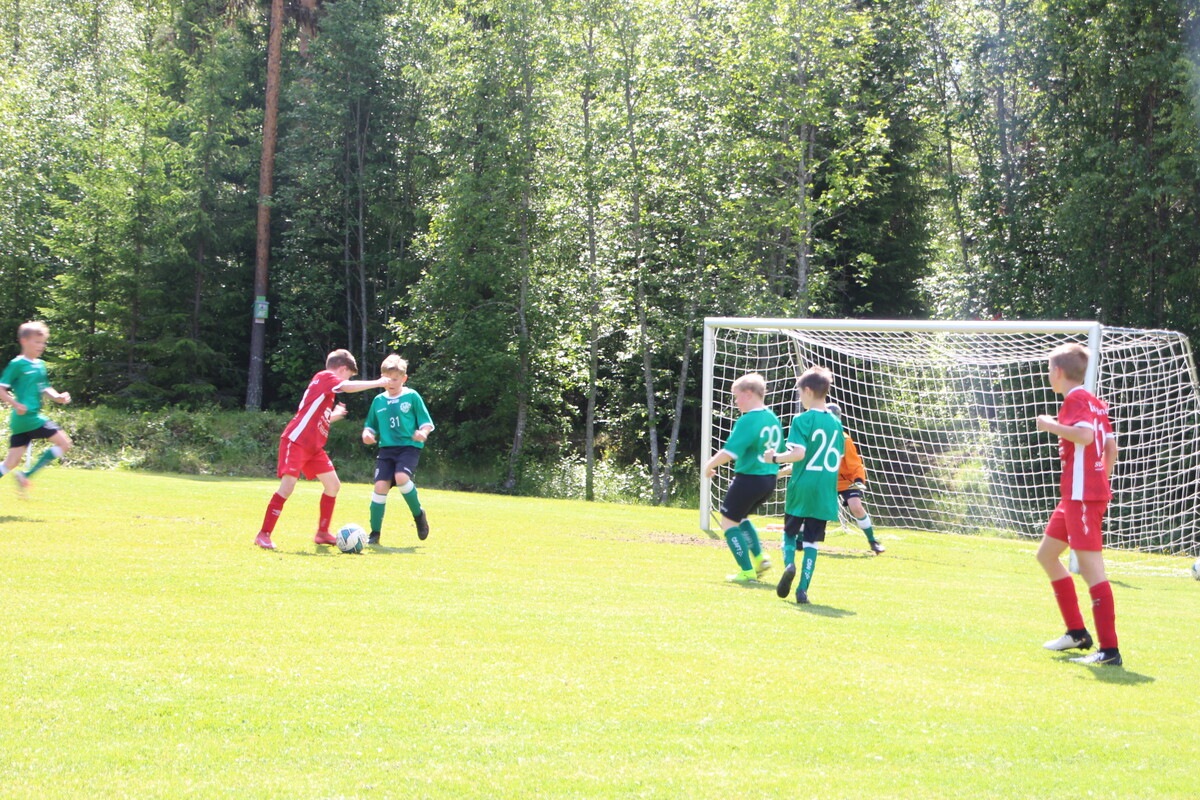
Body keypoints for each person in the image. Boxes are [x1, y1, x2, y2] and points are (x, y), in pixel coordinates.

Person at [1035, 343, 1122, 666]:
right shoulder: (1094, 401)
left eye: (1049, 369)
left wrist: (1049, 425)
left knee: (1091, 571)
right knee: (1046, 555)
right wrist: (1099, 480)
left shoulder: (1076, 399)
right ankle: (1076, 633)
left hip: (1082, 497)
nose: (1048, 375)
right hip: (1077, 495)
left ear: (1058, 372)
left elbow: (1084, 437)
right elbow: (1111, 448)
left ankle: (1109, 651)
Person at [254, 349, 388, 550]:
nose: (346, 380)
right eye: (348, 375)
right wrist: (378, 383)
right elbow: (346, 387)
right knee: (287, 487)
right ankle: (263, 534)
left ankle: (322, 533)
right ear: (342, 369)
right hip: (297, 440)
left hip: (313, 447)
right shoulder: (325, 376)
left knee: (333, 485)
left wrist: (334, 416)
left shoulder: (325, 391)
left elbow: (316, 416)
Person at [765, 366, 844, 604]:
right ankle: (803, 590)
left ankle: (789, 565)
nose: (799, 397)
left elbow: (799, 454)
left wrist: (775, 458)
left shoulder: (802, 419)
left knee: (789, 534)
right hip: (825, 490)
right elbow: (835, 458)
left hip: (801, 487)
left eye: (799, 392)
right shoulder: (837, 424)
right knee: (811, 542)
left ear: (808, 391)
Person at [702, 373, 782, 582]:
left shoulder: (749, 419)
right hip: (768, 480)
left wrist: (709, 465)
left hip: (749, 478)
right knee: (741, 518)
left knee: (728, 523)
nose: (736, 402)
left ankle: (747, 571)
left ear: (748, 394)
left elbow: (731, 451)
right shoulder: (772, 418)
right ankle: (761, 558)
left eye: (737, 396)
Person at [362, 354, 435, 544]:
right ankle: (374, 533)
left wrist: (423, 433)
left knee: (401, 477)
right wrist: (367, 434)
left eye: (395, 379)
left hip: (408, 447)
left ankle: (419, 515)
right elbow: (370, 425)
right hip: (386, 450)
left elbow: (426, 422)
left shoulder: (411, 396)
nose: (391, 383)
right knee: (380, 486)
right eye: (387, 379)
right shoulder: (378, 400)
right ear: (381, 378)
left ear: (404, 378)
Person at [0, 322, 73, 491]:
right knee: (64, 443)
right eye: (37, 342)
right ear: (24, 341)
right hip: (29, 417)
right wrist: (15, 403)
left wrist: (58, 397)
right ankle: (26, 475)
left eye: (43, 342)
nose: (42, 346)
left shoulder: (40, 365)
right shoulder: (17, 364)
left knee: (11, 463)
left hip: (22, 421)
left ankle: (24, 475)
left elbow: (44, 388)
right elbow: (1, 389)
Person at [826, 402, 885, 555]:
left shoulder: (844, 440)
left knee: (856, 507)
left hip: (846, 481)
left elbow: (855, 464)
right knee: (816, 509)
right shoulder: (818, 437)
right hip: (826, 480)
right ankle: (801, 539)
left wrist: (858, 480)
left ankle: (873, 541)